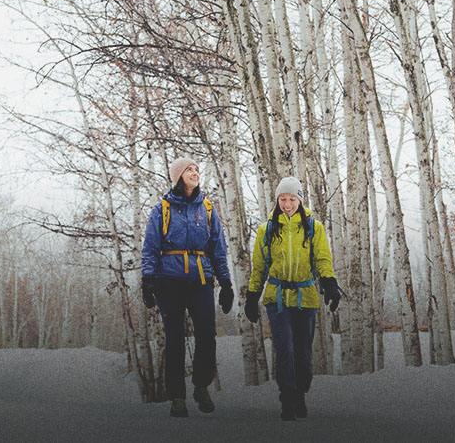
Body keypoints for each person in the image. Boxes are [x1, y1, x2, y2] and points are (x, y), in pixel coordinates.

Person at [141, 157, 234, 417]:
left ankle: (201, 386)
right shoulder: (163, 209)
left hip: (201, 281)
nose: (194, 172)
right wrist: (148, 279)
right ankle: (177, 397)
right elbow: (150, 247)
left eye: (196, 169)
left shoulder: (207, 209)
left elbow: (218, 248)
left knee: (206, 335)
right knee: (175, 339)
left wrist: (225, 283)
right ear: (178, 176)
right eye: (189, 170)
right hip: (168, 281)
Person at [244, 176, 341, 421]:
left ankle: (300, 393)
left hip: (305, 297)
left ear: (299, 199)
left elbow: (322, 259)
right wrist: (252, 295)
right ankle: (287, 397)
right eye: (283, 199)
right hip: (277, 297)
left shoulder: (312, 227)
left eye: (292, 199)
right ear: (277, 200)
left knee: (303, 352)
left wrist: (329, 283)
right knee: (284, 348)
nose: (287, 204)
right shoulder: (267, 229)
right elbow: (259, 266)